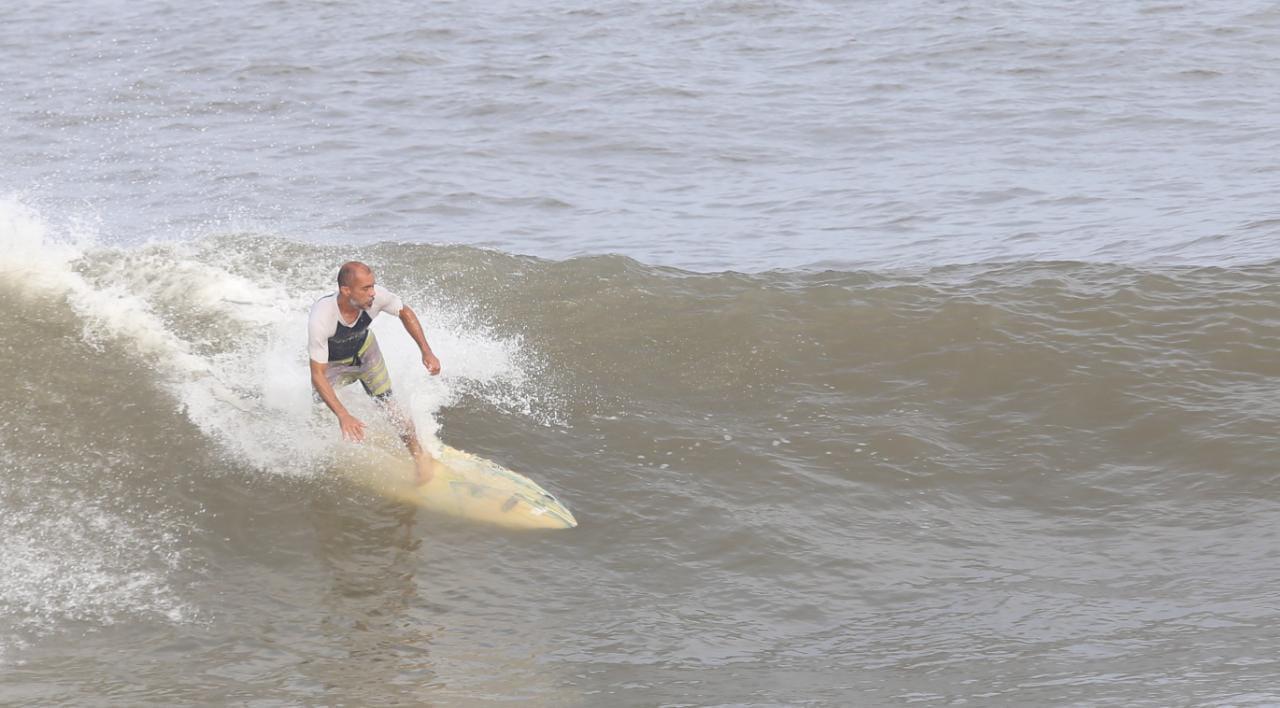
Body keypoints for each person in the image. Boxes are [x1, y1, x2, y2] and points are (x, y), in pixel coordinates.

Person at [308, 261, 441, 484]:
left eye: (373, 286)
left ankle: (418, 456)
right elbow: (318, 374)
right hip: (333, 365)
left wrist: (426, 352)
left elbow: (404, 312)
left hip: (366, 354)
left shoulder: (377, 297)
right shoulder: (322, 318)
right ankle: (340, 441)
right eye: (366, 288)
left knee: (390, 406)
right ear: (346, 290)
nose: (372, 293)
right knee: (320, 410)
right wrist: (343, 414)